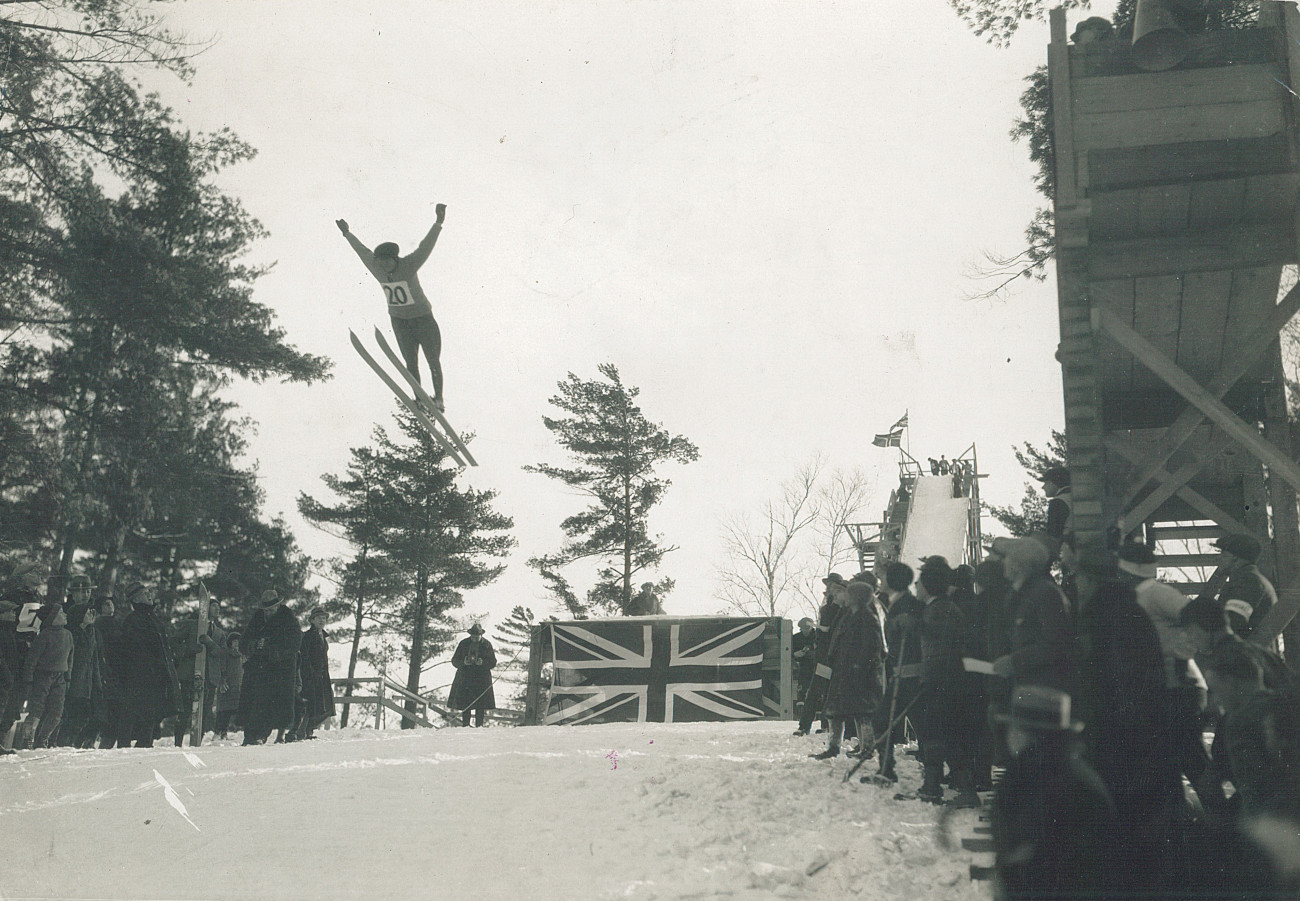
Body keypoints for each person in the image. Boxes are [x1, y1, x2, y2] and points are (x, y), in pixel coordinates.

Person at [991, 685, 1119, 901]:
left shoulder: (1037, 779)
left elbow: (1022, 860)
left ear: (1023, 733)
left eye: (1012, 728)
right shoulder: (1072, 770)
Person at [337, 205, 448, 410]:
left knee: (433, 359)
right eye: (380, 262)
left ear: (395, 259)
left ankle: (438, 398)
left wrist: (438, 223)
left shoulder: (409, 264)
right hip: (399, 321)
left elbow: (425, 247)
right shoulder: (377, 268)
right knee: (410, 362)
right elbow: (362, 251)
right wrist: (347, 233)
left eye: (387, 262)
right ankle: (419, 399)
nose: (384, 266)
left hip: (423, 318)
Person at [910, 557, 978, 806]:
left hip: (942, 683)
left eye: (919, 583)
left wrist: (930, 682)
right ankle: (935, 786)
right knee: (940, 735)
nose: (916, 587)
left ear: (927, 586)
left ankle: (956, 790)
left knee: (943, 735)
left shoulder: (938, 611)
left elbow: (941, 652)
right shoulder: (939, 609)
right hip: (944, 681)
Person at [991, 538, 1079, 697]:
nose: (1003, 562)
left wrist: (1014, 661)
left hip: (1043, 690)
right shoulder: (1020, 593)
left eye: (1007, 558)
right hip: (1026, 687)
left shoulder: (1045, 594)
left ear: (1020, 564)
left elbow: (1056, 643)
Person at [814, 580, 884, 761]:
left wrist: (859, 667)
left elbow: (872, 646)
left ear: (855, 597)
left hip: (858, 673)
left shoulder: (867, 617)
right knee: (835, 710)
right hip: (843, 670)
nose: (841, 595)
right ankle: (833, 747)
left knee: (862, 713)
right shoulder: (848, 615)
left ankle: (867, 748)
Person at [872, 562, 921, 784]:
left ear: (892, 581)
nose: (881, 582)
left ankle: (887, 767)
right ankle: (886, 767)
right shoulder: (898, 603)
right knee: (887, 719)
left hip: (909, 674)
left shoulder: (907, 605)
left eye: (884, 578)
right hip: (902, 673)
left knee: (885, 719)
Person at [115, 582, 179, 748]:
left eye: (149, 592)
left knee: (151, 715)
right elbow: (134, 651)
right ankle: (124, 747)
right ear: (136, 599)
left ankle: (145, 746)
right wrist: (151, 668)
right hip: (139, 677)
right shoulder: (134, 620)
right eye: (145, 594)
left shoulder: (153, 619)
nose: (150, 595)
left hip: (154, 677)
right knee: (132, 714)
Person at [239, 590, 302, 745]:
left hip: (278, 671)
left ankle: (262, 735)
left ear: (278, 606)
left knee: (270, 702)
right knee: (252, 701)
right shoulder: (258, 617)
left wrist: (271, 649)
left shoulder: (289, 619)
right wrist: (254, 645)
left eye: (271, 609)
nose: (268, 613)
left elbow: (293, 644)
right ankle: (249, 737)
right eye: (266, 610)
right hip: (257, 669)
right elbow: (245, 640)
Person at [1, 559, 46, 748]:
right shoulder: (11, 595)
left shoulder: (38, 597)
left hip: (29, 651)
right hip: (12, 648)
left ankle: (4, 735)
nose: (40, 577)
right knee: (8, 693)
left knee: (20, 696)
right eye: (36, 573)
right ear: (24, 576)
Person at [795, 574, 847, 737]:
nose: (828, 588)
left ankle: (810, 726)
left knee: (819, 690)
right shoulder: (830, 603)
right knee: (820, 690)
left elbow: (825, 629)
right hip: (826, 655)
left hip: (829, 655)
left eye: (831, 585)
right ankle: (818, 725)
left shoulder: (834, 606)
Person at [17, 604, 73, 749]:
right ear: (52, 618)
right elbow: (32, 660)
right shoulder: (44, 636)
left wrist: (67, 677)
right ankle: (27, 740)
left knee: (56, 712)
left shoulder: (68, 635)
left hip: (60, 678)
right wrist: (28, 679)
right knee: (36, 709)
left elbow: (70, 659)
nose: (65, 615)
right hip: (42, 677)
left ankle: (43, 740)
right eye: (61, 613)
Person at [172, 596, 225, 746]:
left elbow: (222, 653)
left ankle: (196, 744)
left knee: (205, 713)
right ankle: (178, 744)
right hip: (191, 675)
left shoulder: (219, 632)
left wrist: (210, 643)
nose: (217, 609)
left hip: (210, 678)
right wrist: (187, 651)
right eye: (214, 606)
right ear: (205, 608)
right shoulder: (191, 625)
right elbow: (174, 641)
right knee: (186, 711)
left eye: (218, 607)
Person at [1211, 533, 1276, 641]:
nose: (1218, 559)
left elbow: (1233, 624)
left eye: (1222, 553)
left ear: (1235, 558)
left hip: (1245, 654)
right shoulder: (1248, 579)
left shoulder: (1248, 581)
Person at [60, 601, 107, 748]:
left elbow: (95, 660)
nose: (91, 615)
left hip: (89, 682)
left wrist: (97, 681)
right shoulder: (72, 634)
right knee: (74, 714)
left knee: (90, 714)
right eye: (88, 613)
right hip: (74, 681)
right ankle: (66, 743)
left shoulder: (91, 632)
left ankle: (76, 743)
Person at [293, 608, 335, 741]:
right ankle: (300, 732)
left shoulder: (323, 637)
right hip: (310, 677)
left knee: (324, 705)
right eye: (318, 618)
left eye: (324, 618)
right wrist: (310, 674)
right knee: (310, 704)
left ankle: (309, 730)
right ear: (312, 620)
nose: (322, 620)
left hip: (323, 677)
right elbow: (304, 658)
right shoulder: (307, 637)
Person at [449, 623, 496, 726]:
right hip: (466, 678)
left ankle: (479, 726)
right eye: (473, 637)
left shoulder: (487, 645)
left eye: (477, 637)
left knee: (480, 705)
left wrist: (483, 663)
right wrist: (463, 662)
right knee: (466, 705)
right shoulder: (463, 644)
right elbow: (454, 661)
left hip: (481, 679)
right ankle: (465, 726)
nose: (474, 639)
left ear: (481, 635)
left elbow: (493, 662)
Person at [210, 632, 244, 739]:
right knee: (223, 711)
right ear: (230, 642)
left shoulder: (241, 655)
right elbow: (222, 668)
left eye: (238, 642)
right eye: (234, 642)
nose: (236, 644)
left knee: (233, 710)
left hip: (237, 687)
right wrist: (222, 681)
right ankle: (219, 732)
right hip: (227, 686)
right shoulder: (226, 654)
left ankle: (225, 732)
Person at [1039, 466, 1072, 542]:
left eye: (1046, 483)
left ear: (1054, 483)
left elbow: (1053, 535)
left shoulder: (1058, 502)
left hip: (1069, 549)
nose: (1043, 487)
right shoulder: (1074, 496)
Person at [792, 617, 816, 711]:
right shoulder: (797, 638)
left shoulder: (818, 636)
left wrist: (810, 653)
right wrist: (795, 654)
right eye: (803, 629)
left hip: (816, 665)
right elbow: (790, 651)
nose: (805, 631)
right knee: (802, 685)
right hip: (802, 666)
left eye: (807, 628)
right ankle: (801, 703)